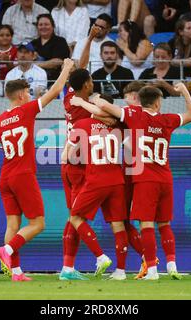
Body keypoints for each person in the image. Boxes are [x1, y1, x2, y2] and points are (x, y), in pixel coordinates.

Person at [96, 82, 191, 280]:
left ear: (140, 101)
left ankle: (152, 270)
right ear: (158, 103)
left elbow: (106, 107)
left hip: (144, 179)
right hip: (165, 178)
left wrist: (98, 99)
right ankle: (172, 265)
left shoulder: (135, 115)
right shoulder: (167, 120)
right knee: (165, 224)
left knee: (147, 225)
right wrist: (184, 91)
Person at [0, 58, 75, 282]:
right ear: (20, 96)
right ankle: (6, 251)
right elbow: (55, 90)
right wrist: (65, 68)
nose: (30, 95)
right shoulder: (26, 110)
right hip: (23, 175)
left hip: (5, 176)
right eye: (27, 92)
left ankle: (15, 272)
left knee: (13, 224)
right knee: (38, 224)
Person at [66, 90, 129, 281]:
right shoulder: (120, 125)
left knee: (75, 218)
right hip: (117, 180)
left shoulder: (82, 124)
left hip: (96, 179)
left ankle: (101, 257)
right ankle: (121, 272)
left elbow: (68, 156)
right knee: (118, 225)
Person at [31, 13, 70, 83]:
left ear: (53, 26)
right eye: (40, 25)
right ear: (37, 27)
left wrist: (36, 65)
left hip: (55, 81)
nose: (43, 27)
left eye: (46, 24)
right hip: (35, 80)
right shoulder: (33, 43)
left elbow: (58, 61)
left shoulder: (60, 41)